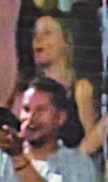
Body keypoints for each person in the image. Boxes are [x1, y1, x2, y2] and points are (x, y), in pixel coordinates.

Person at [30, 13, 97, 147]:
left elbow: (92, 142)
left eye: (47, 33)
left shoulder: (81, 89)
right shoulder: (29, 92)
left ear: (66, 42)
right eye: (35, 34)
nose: (38, 39)